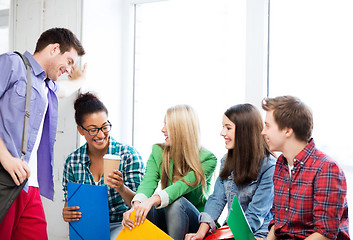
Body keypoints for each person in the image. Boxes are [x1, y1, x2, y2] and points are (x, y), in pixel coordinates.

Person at [0, 27, 85, 239]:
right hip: (5, 177)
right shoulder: (12, 63)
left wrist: (81, 78)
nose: (69, 68)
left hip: (30, 186)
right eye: (69, 61)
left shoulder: (48, 87)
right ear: (55, 48)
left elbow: (65, 89)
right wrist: (6, 158)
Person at [122, 104, 217, 240]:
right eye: (164, 124)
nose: (163, 129)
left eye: (168, 125)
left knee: (176, 202)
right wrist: (136, 207)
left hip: (195, 222)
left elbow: (181, 187)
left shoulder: (207, 159)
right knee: (144, 209)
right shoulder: (158, 151)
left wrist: (151, 201)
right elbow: (147, 183)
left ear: (181, 129)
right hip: (167, 219)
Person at [260, 95, 349, 240]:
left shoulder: (326, 168)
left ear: (287, 131)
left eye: (268, 126)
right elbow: (278, 222)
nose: (263, 132)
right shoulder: (281, 164)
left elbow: (325, 233)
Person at [185, 104, 276, 240]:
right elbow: (216, 199)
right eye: (223, 127)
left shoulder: (269, 167)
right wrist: (200, 233)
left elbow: (255, 216)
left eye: (228, 128)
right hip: (230, 232)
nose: (222, 133)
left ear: (245, 131)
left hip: (256, 234)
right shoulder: (226, 160)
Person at [62, 92, 145, 240]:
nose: (101, 135)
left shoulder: (128, 155)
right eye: (93, 129)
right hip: (88, 228)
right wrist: (67, 212)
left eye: (105, 127)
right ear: (81, 130)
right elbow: (71, 200)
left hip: (123, 225)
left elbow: (142, 205)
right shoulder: (73, 161)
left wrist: (121, 187)